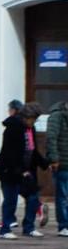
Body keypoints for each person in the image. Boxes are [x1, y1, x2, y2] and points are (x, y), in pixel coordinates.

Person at [0, 102, 47, 239]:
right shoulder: (13, 128)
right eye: (32, 119)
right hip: (9, 171)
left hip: (25, 171)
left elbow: (32, 150)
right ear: (25, 117)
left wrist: (45, 164)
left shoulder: (30, 129)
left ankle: (29, 227)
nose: (33, 122)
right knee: (10, 201)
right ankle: (5, 230)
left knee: (33, 197)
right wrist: (20, 170)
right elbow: (10, 152)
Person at [44, 98, 68, 237]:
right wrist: (54, 159)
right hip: (62, 164)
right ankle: (63, 226)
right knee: (62, 196)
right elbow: (51, 138)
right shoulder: (57, 116)